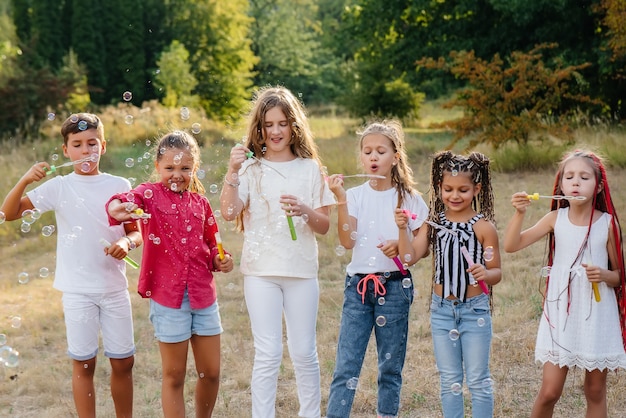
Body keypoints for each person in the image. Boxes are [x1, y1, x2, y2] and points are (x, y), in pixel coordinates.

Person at [0, 113, 140, 417]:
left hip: (114, 289)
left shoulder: (119, 184)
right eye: (77, 144)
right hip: (77, 291)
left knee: (124, 362)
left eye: (92, 143)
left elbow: (134, 230)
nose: (85, 150)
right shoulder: (59, 186)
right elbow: (9, 213)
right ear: (66, 151)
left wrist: (126, 243)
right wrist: (24, 180)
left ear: (103, 146)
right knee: (84, 363)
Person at [220, 86, 335, 418]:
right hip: (260, 273)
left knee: (304, 352)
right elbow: (229, 212)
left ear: (293, 126)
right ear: (259, 128)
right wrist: (231, 172)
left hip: (301, 272)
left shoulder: (311, 168)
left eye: (282, 123)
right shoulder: (250, 169)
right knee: (268, 353)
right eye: (268, 124)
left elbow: (324, 225)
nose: (275, 131)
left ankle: (310, 414)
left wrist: (303, 210)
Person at [106, 130, 234, 418]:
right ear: (157, 167)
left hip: (203, 296)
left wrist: (221, 259)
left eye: (185, 168)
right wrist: (118, 207)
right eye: (170, 168)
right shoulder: (148, 196)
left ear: (194, 168)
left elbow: (214, 246)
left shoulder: (201, 203)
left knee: (211, 372)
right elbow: (121, 201)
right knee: (174, 375)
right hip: (168, 298)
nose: (177, 174)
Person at [503, 149, 626, 418]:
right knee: (549, 392)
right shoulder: (554, 219)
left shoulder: (607, 224)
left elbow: (619, 276)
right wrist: (519, 213)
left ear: (599, 186)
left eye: (584, 177)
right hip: (561, 314)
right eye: (569, 176)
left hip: (597, 313)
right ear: (560, 184)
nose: (576, 182)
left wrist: (603, 275)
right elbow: (511, 245)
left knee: (594, 391)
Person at [325, 119, 429, 418]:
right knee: (346, 365)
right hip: (358, 288)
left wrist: (401, 244)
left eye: (380, 151)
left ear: (395, 156)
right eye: (367, 151)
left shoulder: (410, 199)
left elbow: (416, 253)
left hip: (395, 286)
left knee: (390, 366)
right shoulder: (355, 196)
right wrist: (341, 200)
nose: (373, 157)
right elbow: (347, 240)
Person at [397, 150, 501, 418]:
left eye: (463, 190)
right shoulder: (434, 224)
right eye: (448, 189)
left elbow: (497, 272)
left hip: (474, 309)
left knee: (478, 380)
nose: (455, 196)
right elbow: (410, 257)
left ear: (477, 189)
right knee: (450, 380)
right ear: (439, 188)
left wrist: (484, 273)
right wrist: (402, 230)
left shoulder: (484, 227)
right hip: (442, 310)